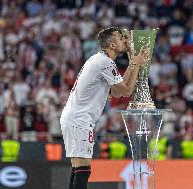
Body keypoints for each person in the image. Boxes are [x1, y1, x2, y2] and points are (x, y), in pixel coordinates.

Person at [60, 27, 149, 189]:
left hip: (75, 117)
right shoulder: (105, 62)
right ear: (112, 45)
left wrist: (133, 61)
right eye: (120, 38)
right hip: (80, 118)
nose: (124, 40)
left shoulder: (101, 60)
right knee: (83, 168)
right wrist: (135, 63)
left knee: (78, 166)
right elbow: (126, 90)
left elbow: (116, 91)